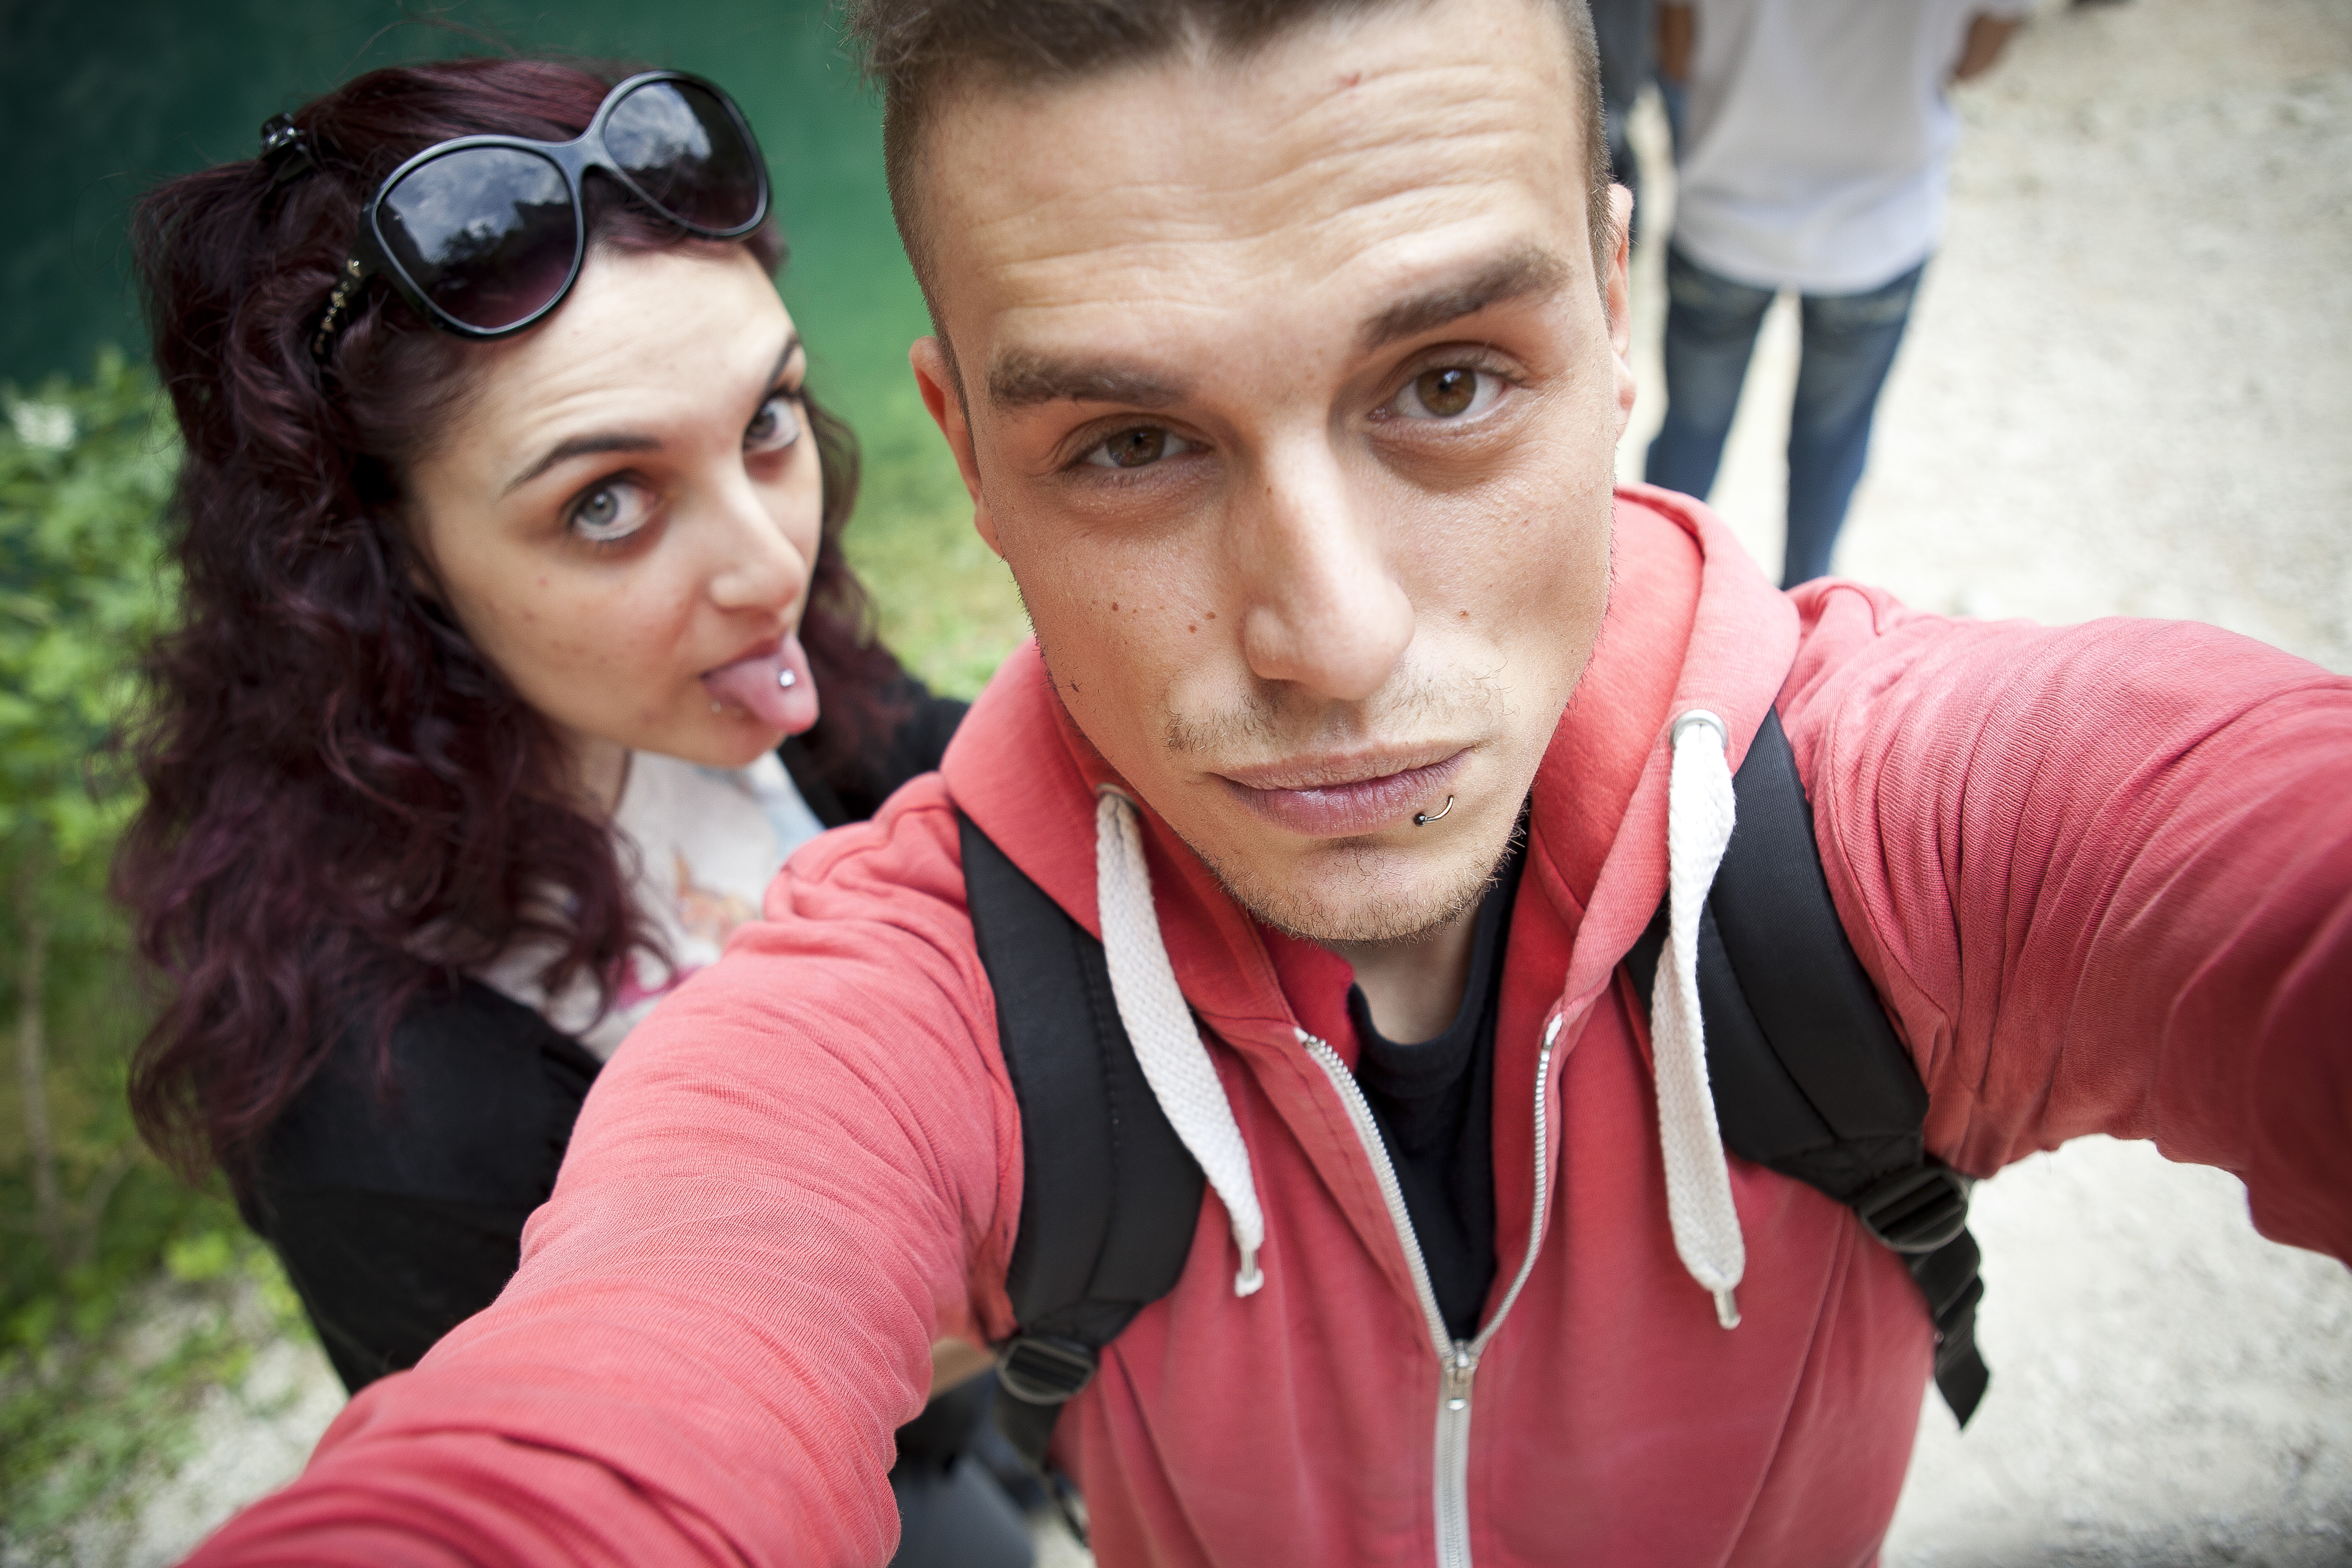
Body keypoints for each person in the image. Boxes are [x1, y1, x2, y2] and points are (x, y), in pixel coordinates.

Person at [184, 2, 2351, 1564]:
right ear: (977, 457)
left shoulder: (1884, 832)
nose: (1331, 639)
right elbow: (624, 1388)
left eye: (1448, 380)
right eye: (1131, 442)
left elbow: (2235, 861)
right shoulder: (819, 1000)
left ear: (1619, 312)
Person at [114, 57, 1027, 1568]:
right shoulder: (379, 1101)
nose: (766, 563)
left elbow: (973, 791)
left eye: (771, 420)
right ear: (387, 553)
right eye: (605, 500)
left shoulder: (747, 692)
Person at [1645, 0, 2032, 586]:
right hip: (1879, 227)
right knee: (1832, 443)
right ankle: (1809, 619)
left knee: (1692, 430)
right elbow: (1978, 55)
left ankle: (1656, 603)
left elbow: (1676, 55)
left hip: (1726, 215)